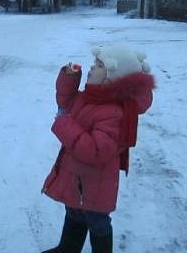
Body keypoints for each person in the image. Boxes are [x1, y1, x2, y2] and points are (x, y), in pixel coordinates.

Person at [41, 45, 156, 253]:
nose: (92, 68)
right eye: (95, 63)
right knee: (74, 213)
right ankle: (68, 248)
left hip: (95, 185)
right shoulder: (89, 97)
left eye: (99, 65)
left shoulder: (114, 113)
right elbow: (65, 101)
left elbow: (95, 151)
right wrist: (70, 76)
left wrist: (64, 124)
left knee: (97, 223)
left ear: (113, 77)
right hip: (78, 179)